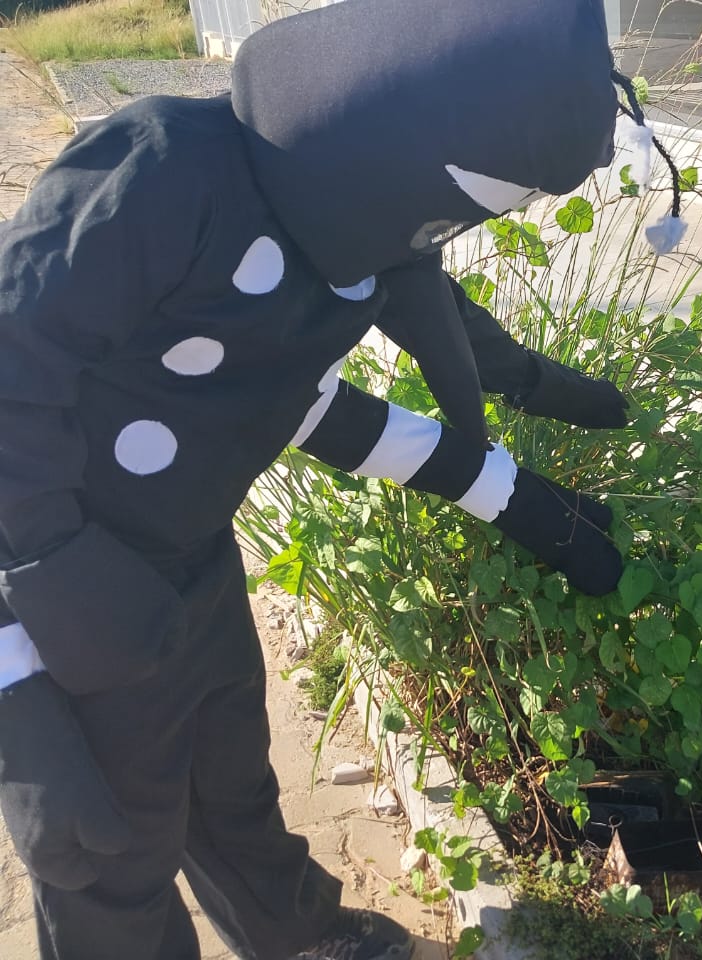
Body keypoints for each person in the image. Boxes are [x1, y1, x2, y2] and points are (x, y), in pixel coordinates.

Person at [0, 1, 651, 957]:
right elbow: (14, 373)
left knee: (233, 783)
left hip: (194, 557)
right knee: (108, 848)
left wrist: (508, 493)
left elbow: (292, 405)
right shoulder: (168, 173)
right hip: (76, 589)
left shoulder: (347, 250)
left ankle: (295, 933)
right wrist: (20, 699)